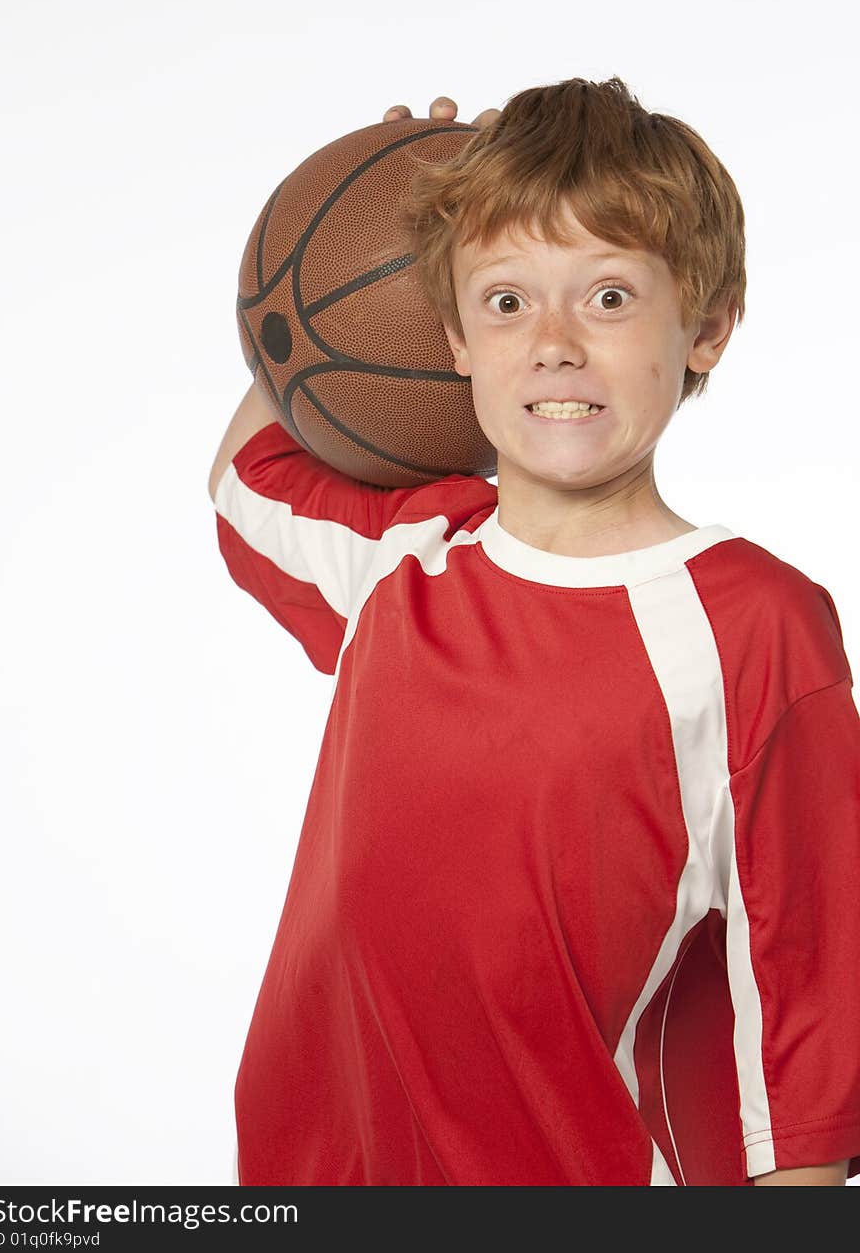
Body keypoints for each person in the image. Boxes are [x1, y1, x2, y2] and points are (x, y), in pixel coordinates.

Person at [208, 81, 860, 1186]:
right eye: (505, 304)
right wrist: (366, 218)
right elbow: (247, 474)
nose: (552, 343)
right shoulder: (407, 558)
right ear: (451, 335)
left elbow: (804, 1046)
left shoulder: (752, 626)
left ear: (704, 327)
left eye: (607, 297)